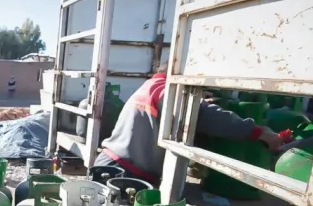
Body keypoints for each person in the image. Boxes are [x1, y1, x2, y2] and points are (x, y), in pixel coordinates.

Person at [94, 62, 283, 185]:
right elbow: (208, 117)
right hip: (124, 174)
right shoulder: (168, 92)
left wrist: (196, 101)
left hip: (112, 165)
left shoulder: (150, 87)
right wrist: (258, 132)